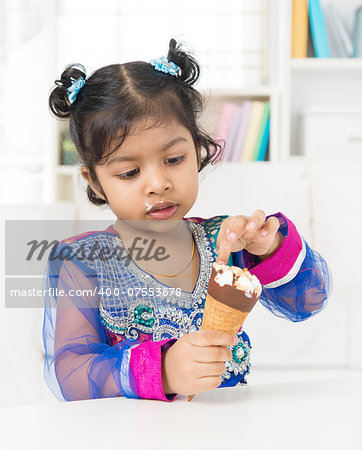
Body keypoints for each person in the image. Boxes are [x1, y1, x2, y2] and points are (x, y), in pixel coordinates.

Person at [43, 38, 332, 402]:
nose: (158, 183)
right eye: (130, 172)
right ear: (94, 181)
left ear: (197, 151)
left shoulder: (225, 241)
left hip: (227, 428)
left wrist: (269, 247)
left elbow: (308, 301)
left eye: (174, 159)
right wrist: (163, 370)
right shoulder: (84, 262)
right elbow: (71, 374)